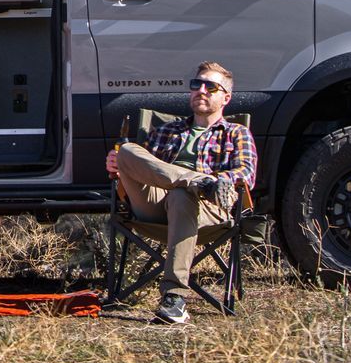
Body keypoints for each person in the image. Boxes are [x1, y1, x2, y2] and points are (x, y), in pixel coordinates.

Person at [104, 60, 258, 324]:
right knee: (128, 150)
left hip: (209, 208)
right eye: (196, 84)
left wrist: (214, 182)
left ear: (226, 98)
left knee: (181, 194)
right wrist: (118, 166)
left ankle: (174, 298)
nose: (202, 90)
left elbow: (246, 175)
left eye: (211, 86)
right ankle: (198, 181)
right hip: (154, 204)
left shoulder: (236, 133)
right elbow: (144, 169)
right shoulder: (167, 130)